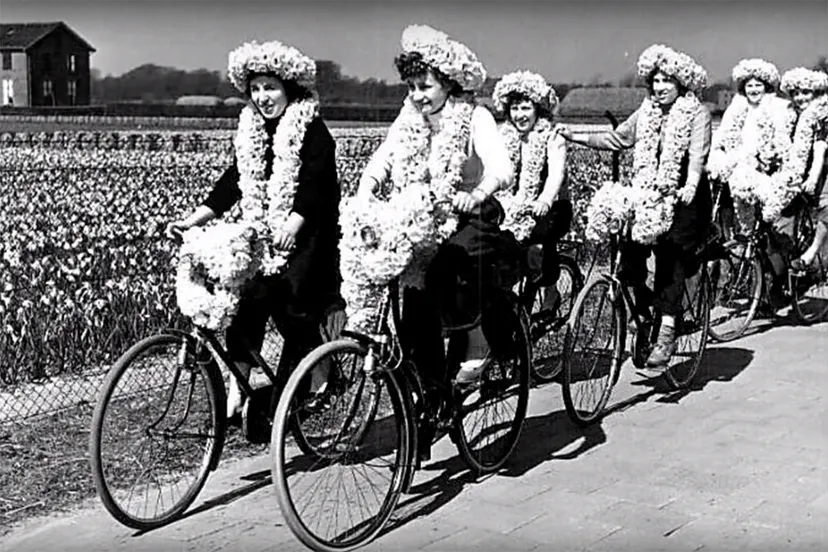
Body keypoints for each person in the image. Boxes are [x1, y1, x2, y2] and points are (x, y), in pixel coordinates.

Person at [343, 24, 518, 460]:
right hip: (423, 217)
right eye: (412, 86)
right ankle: (430, 397)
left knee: (449, 270)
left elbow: (501, 167)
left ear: (447, 83)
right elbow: (384, 158)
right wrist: (366, 189)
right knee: (411, 306)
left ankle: (478, 338)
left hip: (472, 215)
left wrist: (476, 192)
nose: (418, 95)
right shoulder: (408, 120)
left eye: (426, 86)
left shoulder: (473, 116)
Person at [167, 39, 342, 422]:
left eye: (271, 87)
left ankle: (316, 376)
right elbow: (235, 181)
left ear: (289, 89)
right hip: (264, 232)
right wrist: (197, 218)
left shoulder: (312, 131)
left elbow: (318, 184)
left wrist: (295, 221)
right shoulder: (252, 133)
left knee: (292, 303)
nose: (263, 97)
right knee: (245, 300)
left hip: (310, 233)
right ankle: (238, 387)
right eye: (256, 89)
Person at [557, 44, 712, 371]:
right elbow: (619, 138)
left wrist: (689, 185)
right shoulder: (647, 111)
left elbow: (697, 155)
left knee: (671, 256)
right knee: (630, 250)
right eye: (655, 81)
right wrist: (574, 136)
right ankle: (642, 312)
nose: (660, 88)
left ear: (681, 83)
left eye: (667, 81)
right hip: (649, 188)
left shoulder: (695, 112)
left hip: (685, 192)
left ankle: (668, 327)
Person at [491, 70, 572, 319]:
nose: (520, 115)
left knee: (538, 241)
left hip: (552, 205)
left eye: (525, 108)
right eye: (514, 108)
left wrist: (545, 199)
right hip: (515, 204)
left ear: (538, 109)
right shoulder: (505, 136)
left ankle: (549, 291)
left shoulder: (551, 136)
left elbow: (555, 174)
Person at [755, 68, 828, 298]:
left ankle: (811, 254)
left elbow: (820, 148)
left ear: (816, 93)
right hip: (796, 174)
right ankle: (788, 276)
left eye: (806, 92)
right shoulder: (789, 115)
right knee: (778, 223)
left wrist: (814, 176)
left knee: (826, 206)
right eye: (795, 93)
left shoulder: (823, 113)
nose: (800, 98)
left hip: (823, 169)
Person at [706, 58, 791, 237]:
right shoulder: (736, 108)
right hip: (737, 167)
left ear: (766, 86)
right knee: (729, 209)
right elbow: (722, 137)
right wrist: (719, 159)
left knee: (769, 222)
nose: (753, 90)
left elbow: (782, 141)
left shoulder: (778, 108)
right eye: (749, 85)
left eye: (758, 85)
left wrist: (767, 157)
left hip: (764, 168)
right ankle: (740, 239)